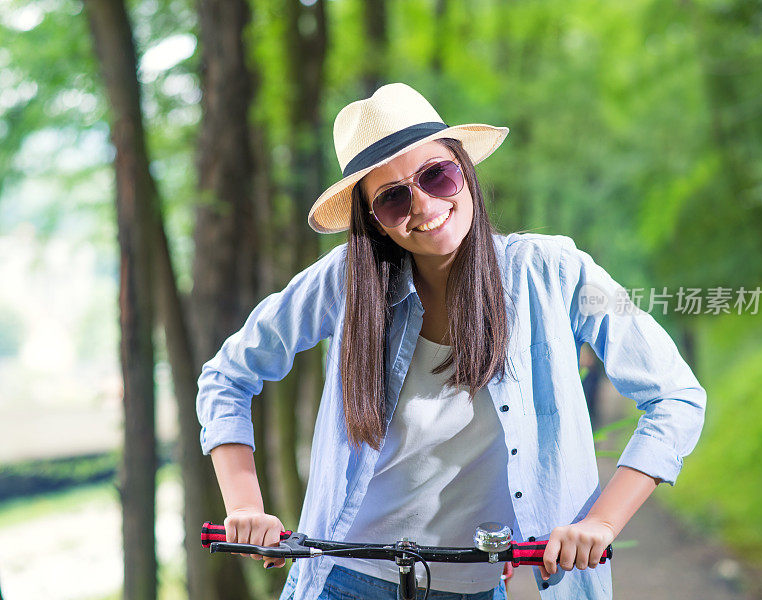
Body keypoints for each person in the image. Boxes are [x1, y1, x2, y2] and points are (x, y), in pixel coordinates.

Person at [196, 83, 707, 600]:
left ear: (464, 169)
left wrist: (601, 523)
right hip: (344, 578)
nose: (423, 204)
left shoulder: (555, 270)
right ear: (375, 224)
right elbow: (227, 375)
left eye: (436, 174)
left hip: (475, 585)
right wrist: (244, 506)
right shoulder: (346, 281)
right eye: (393, 199)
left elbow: (675, 397)